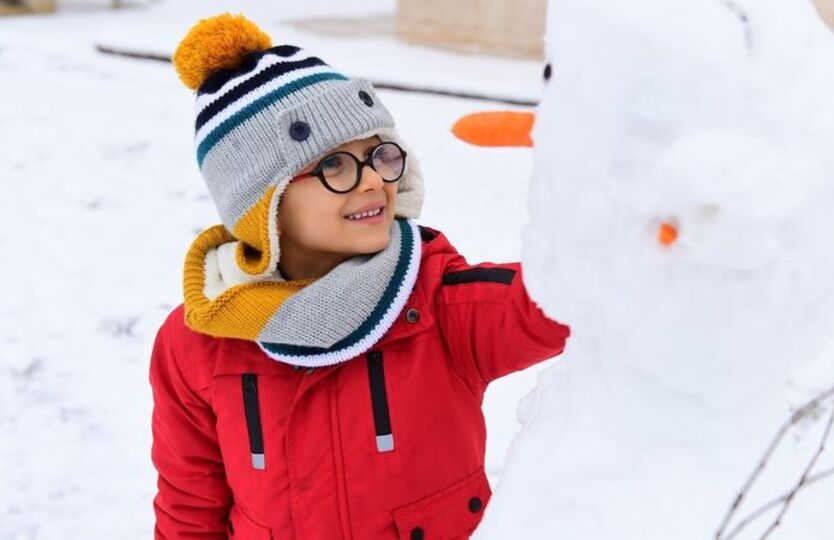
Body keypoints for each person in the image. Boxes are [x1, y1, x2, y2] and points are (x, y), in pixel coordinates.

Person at [149, 12, 571, 540]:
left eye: (378, 155)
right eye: (334, 165)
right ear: (262, 205)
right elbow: (189, 507)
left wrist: (614, 183)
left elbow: (569, 296)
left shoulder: (435, 304)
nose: (372, 179)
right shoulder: (197, 344)